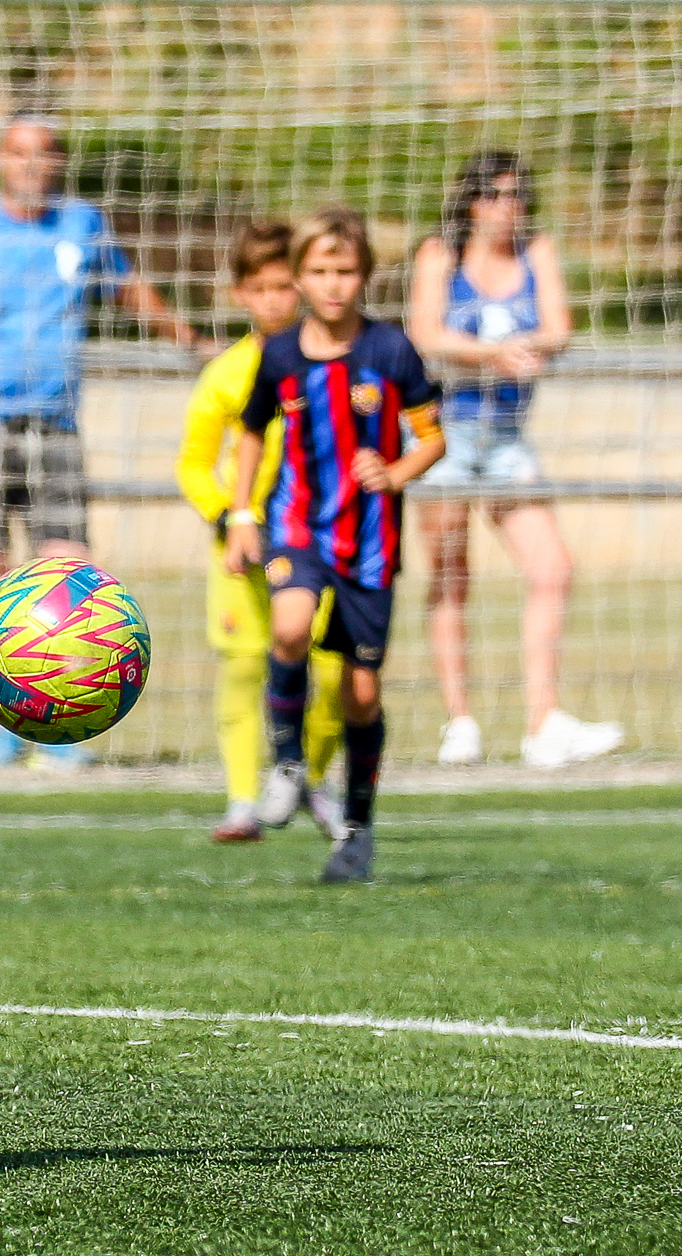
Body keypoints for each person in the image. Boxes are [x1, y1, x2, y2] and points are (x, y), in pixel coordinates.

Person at [0, 110, 199, 766]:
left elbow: (126, 287)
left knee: (71, 568)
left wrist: (192, 340)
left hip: (53, 419)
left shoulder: (81, 224)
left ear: (59, 162)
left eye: (47, 151)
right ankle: (7, 716)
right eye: (22, 151)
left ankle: (69, 716)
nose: (34, 163)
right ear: (2, 160)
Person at [224, 205, 445, 883]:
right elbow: (252, 432)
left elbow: (433, 437)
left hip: (368, 541)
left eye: (345, 271)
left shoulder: (390, 351)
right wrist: (241, 514)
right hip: (296, 524)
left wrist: (397, 471)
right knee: (289, 627)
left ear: (365, 275)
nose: (332, 284)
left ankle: (358, 826)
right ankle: (288, 764)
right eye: (319, 271)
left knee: (360, 694)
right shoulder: (280, 354)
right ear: (299, 276)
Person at [406, 149, 623, 770]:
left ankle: (543, 722)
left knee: (552, 568)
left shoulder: (537, 252)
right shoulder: (439, 255)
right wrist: (490, 355)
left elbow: (559, 327)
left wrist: (529, 347)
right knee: (451, 576)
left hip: (506, 437)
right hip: (442, 434)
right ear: (470, 203)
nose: (508, 207)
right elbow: (425, 333)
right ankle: (460, 723)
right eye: (494, 195)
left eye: (517, 194)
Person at [175, 221, 347, 845]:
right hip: (245, 545)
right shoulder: (227, 373)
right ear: (240, 294)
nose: (274, 300)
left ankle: (312, 781)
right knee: (246, 666)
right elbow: (194, 463)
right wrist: (229, 518)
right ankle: (243, 800)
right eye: (261, 288)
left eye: (284, 286)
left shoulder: (332, 363)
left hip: (319, 543)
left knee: (333, 670)